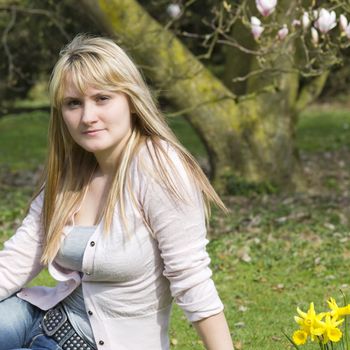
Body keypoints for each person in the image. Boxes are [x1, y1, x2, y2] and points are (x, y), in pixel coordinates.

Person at [0, 34, 234, 350]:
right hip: (35, 319)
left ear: (131, 100)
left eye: (102, 98)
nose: (87, 117)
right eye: (73, 103)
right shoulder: (73, 172)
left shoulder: (160, 168)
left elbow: (191, 279)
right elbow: (18, 256)